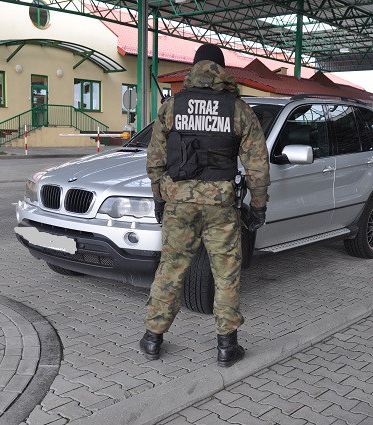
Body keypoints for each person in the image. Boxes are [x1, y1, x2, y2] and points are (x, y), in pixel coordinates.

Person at [140, 43, 270, 367]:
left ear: (194, 68)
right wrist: (258, 206)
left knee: (170, 270)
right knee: (226, 275)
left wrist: (160, 199)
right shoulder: (238, 109)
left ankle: (152, 338)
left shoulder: (171, 107)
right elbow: (257, 165)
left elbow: (155, 161)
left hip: (179, 205)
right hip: (221, 208)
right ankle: (227, 346)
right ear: (222, 69)